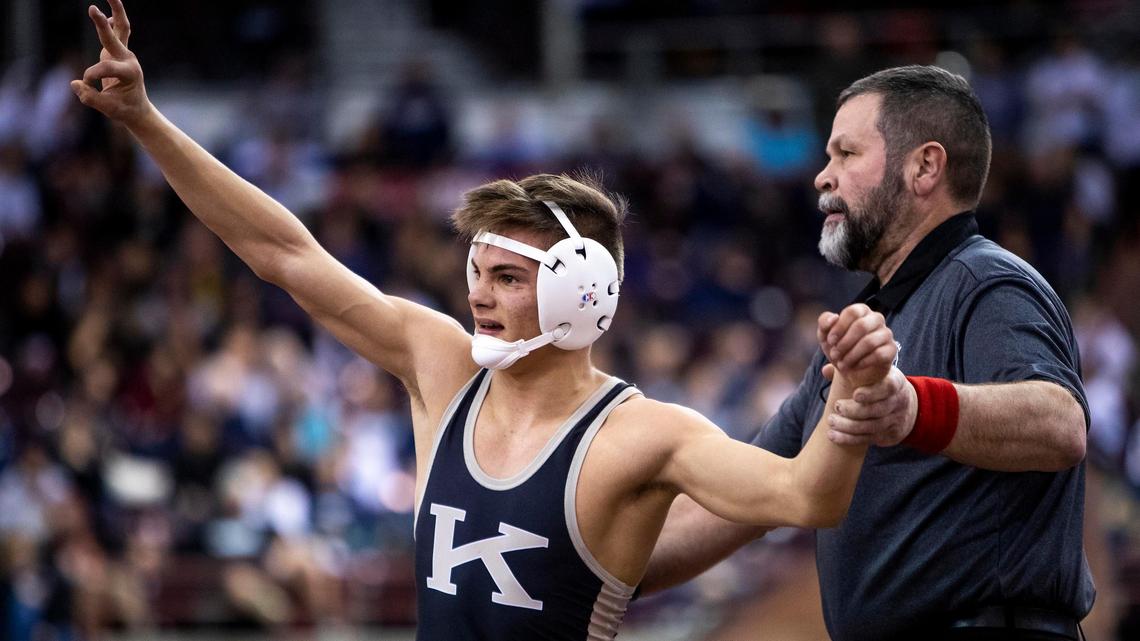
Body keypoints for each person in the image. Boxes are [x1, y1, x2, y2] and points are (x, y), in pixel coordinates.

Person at [70, 2, 901, 639]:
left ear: (583, 294)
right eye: (476, 272)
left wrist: (854, 406)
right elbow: (283, 253)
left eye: (506, 276)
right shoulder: (440, 363)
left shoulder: (644, 435)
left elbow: (805, 496)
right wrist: (147, 120)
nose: (477, 296)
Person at [643, 65, 1093, 641]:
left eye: (846, 154)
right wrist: (583, 578)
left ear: (924, 167)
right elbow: (744, 499)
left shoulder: (986, 281)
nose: (821, 177)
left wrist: (912, 410)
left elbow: (1060, 424)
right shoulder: (859, 334)